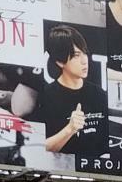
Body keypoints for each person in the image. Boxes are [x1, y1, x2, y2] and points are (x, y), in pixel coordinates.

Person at [21, 26, 106, 172]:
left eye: (84, 53)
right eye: (76, 55)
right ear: (59, 62)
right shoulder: (47, 96)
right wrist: (70, 129)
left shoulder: (99, 94)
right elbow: (40, 147)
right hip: (58, 171)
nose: (84, 60)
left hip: (98, 172)